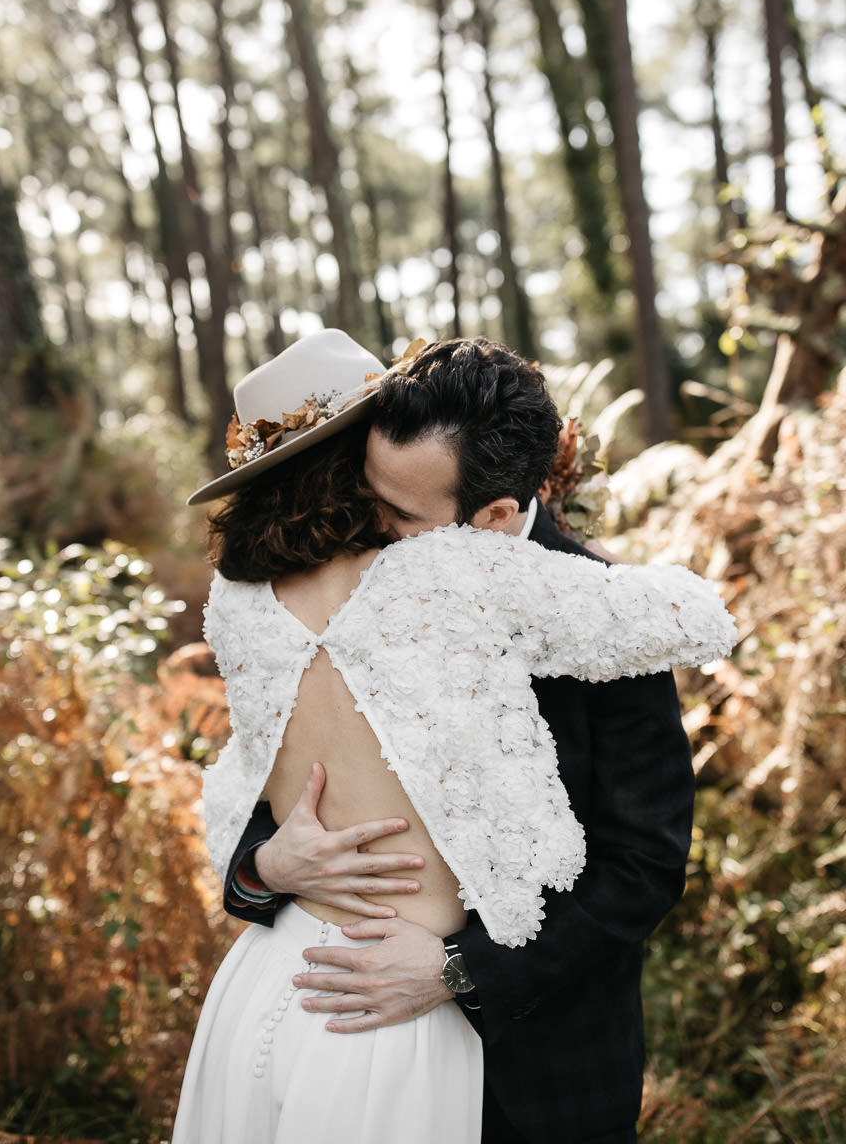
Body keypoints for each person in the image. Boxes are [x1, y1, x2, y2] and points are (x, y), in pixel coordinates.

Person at [171, 331, 733, 1144]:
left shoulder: (595, 608)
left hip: (540, 1068)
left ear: (494, 513)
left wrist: (458, 973)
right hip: (338, 1013)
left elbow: (643, 866)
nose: (373, 531)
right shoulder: (309, 589)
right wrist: (265, 864)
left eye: (398, 513)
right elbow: (273, 773)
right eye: (367, 495)